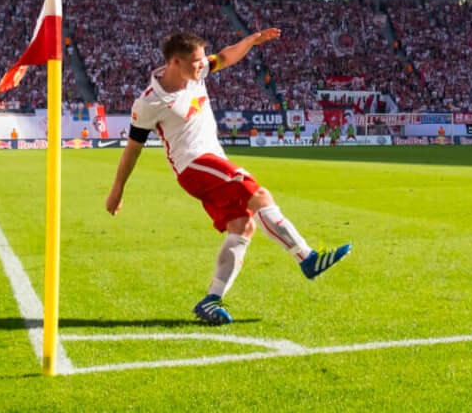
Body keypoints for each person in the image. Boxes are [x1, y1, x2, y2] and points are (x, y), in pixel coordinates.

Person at [104, 29, 351, 326]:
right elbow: (133, 149)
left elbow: (223, 56)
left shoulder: (198, 72)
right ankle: (307, 258)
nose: (202, 65)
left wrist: (249, 42)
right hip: (193, 166)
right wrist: (117, 189)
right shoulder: (149, 103)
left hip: (213, 161)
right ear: (174, 63)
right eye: (196, 62)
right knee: (258, 195)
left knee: (243, 225)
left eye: (201, 60)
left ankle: (211, 300)